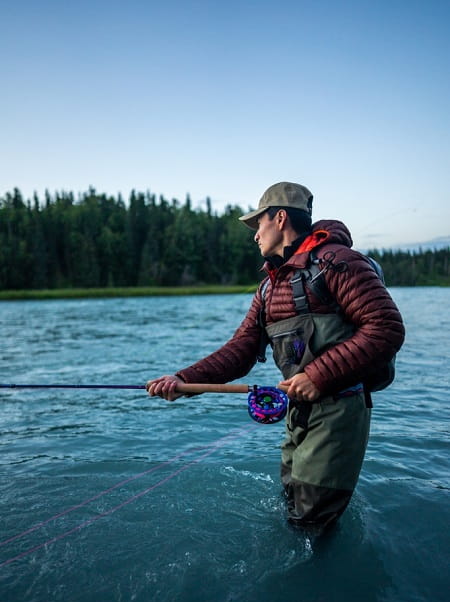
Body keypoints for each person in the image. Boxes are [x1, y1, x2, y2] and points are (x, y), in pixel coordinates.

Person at [147, 182, 405, 533]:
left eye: (259, 225)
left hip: (339, 412)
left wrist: (318, 376)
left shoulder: (339, 263)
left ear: (280, 218)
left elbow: (386, 328)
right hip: (298, 414)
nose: (255, 235)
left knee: (311, 524)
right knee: (292, 510)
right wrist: (183, 380)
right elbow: (240, 349)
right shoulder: (269, 286)